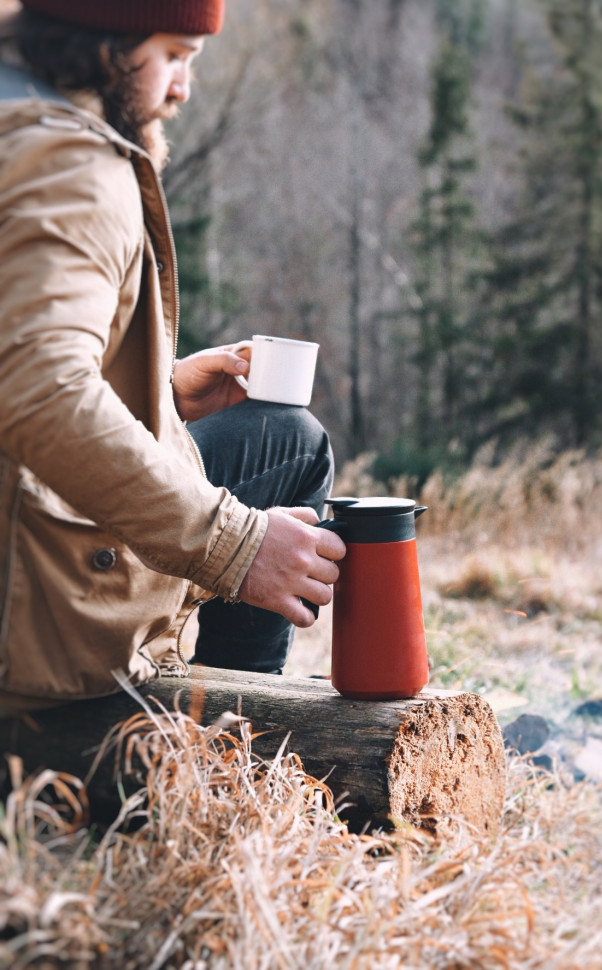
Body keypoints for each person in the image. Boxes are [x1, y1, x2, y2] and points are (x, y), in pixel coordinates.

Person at [0, 0, 346, 717]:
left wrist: (157, 390)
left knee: (282, 436)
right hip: (32, 622)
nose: (183, 88)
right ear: (106, 42)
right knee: (285, 460)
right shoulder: (63, 160)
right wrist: (237, 545)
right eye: (175, 55)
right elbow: (38, 392)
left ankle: (237, 700)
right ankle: (221, 733)